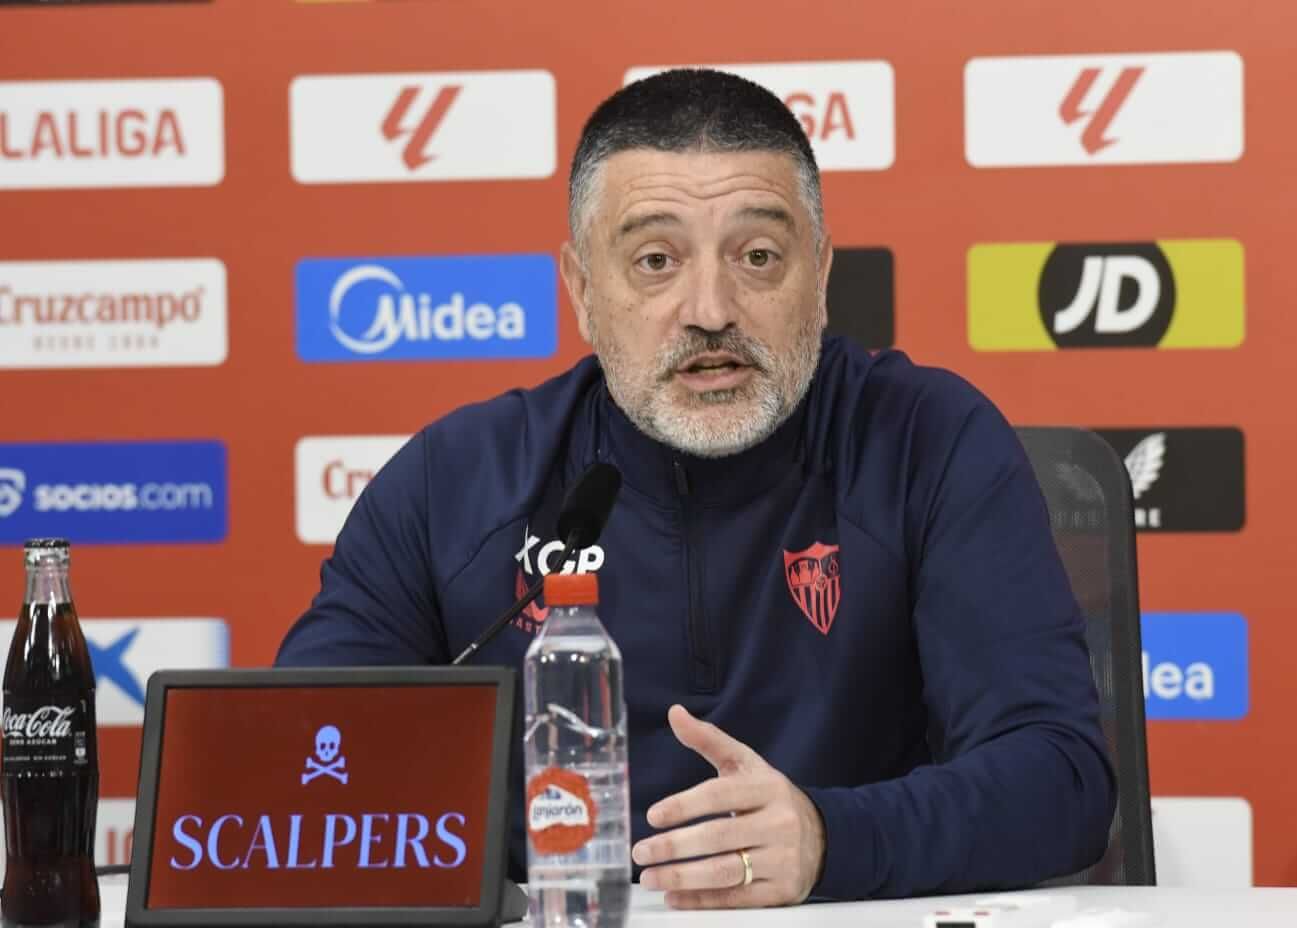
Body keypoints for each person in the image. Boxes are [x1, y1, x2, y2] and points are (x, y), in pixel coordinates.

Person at [276, 68, 1116, 909]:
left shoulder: (928, 441)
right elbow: (306, 768)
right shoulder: (457, 480)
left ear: (819, 275)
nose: (710, 307)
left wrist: (828, 837)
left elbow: (1061, 779)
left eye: (758, 256)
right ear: (580, 288)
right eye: (654, 260)